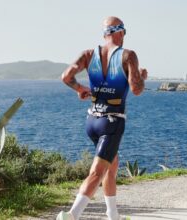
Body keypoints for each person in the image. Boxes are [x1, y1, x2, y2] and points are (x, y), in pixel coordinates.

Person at [57, 16, 147, 220]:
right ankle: (72, 215)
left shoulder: (88, 55)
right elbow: (137, 89)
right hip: (112, 123)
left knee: (111, 167)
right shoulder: (128, 55)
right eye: (124, 32)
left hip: (92, 122)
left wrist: (80, 89)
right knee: (97, 173)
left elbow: (66, 76)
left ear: (105, 34)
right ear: (120, 32)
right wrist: (142, 76)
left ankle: (113, 215)